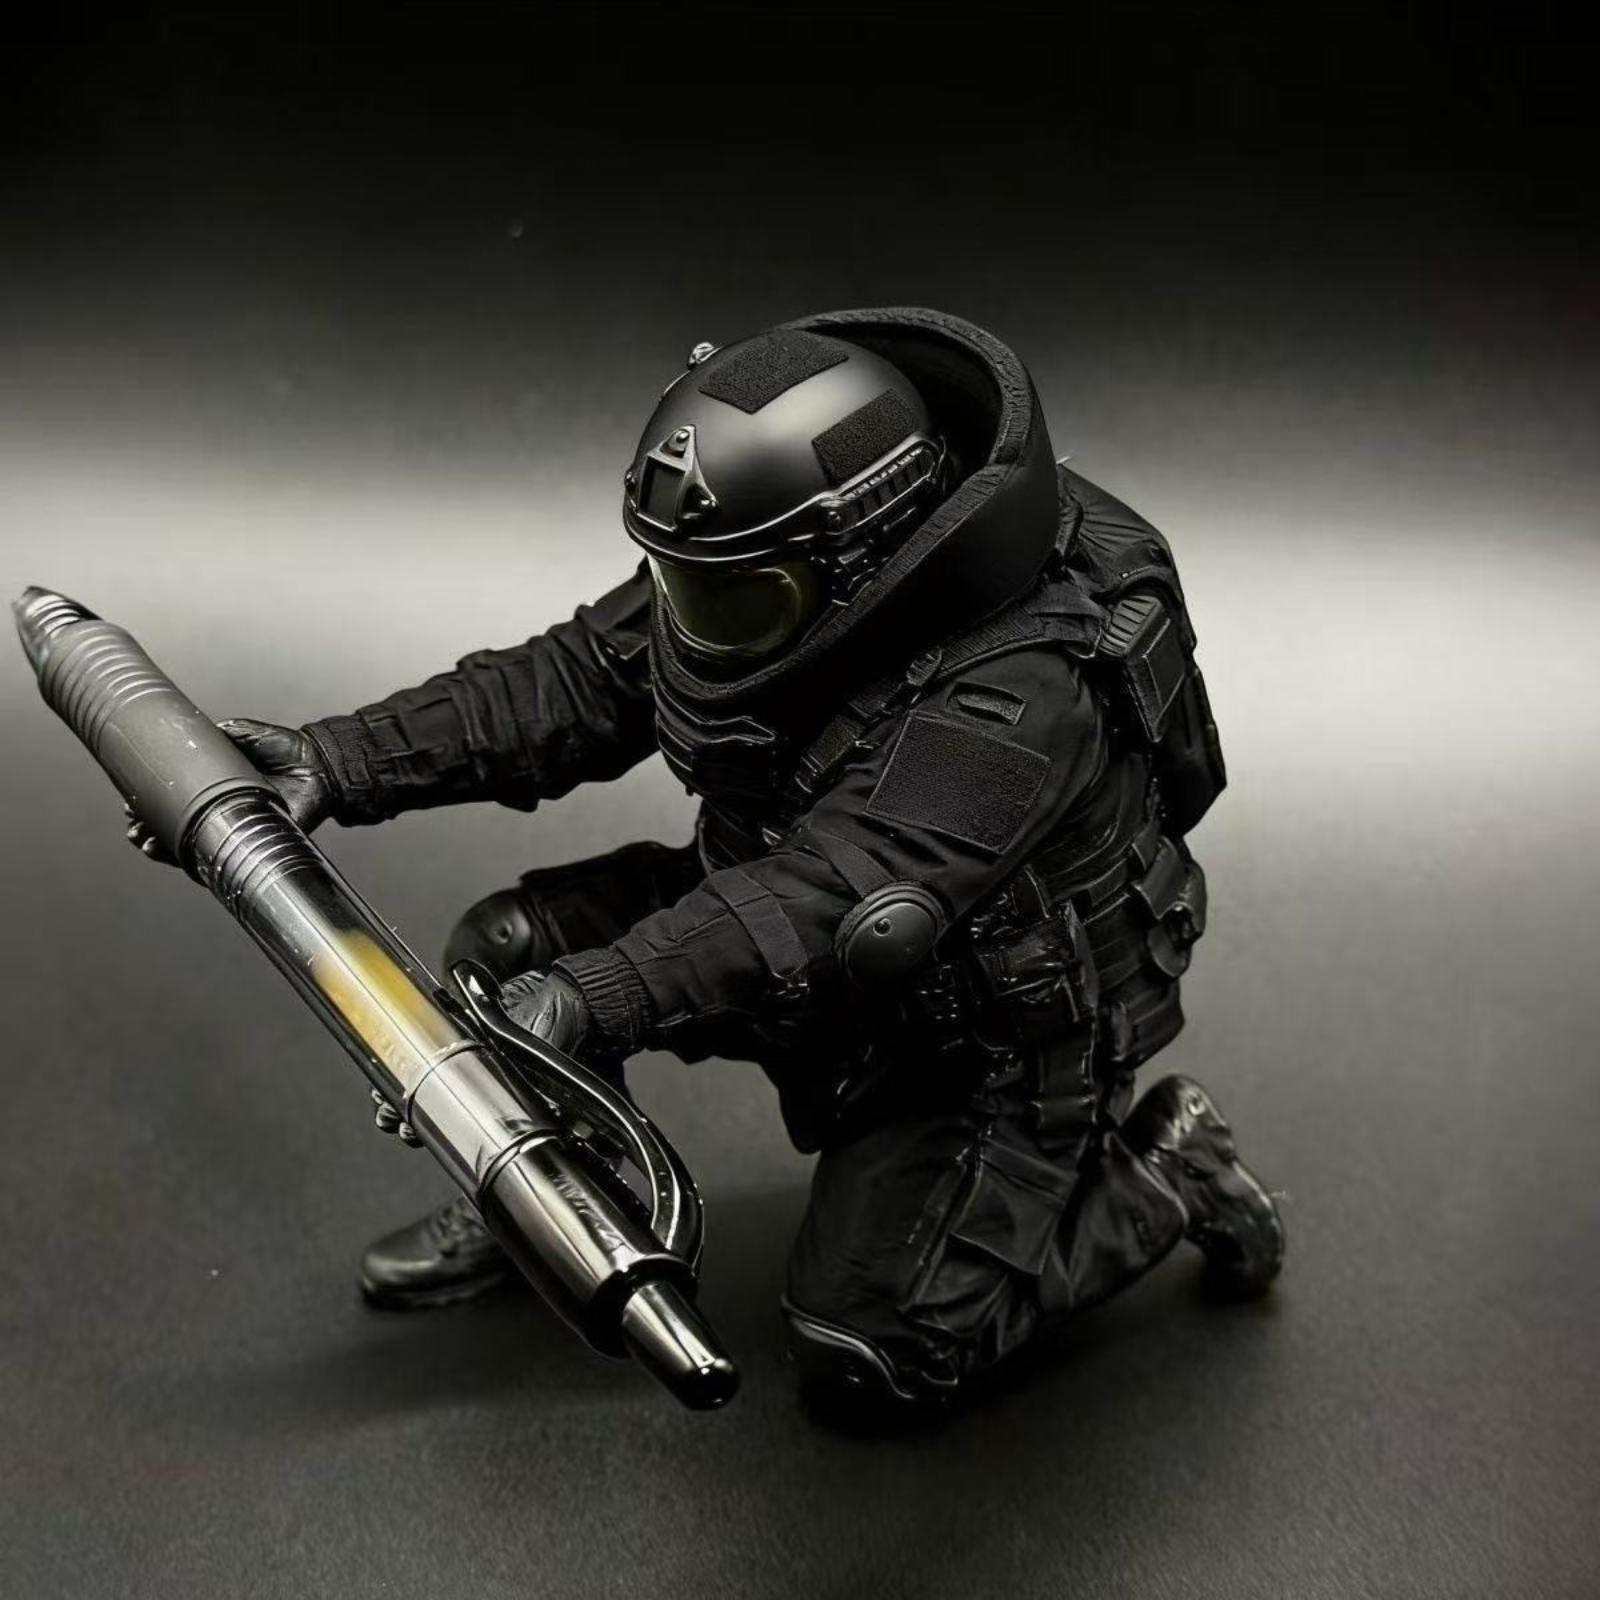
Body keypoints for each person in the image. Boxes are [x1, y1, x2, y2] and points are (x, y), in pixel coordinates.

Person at [131, 308, 1284, 1405]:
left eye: (724, 595)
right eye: (682, 581)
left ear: (862, 557)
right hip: (783, 932)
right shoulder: (758, 575)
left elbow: (828, 891)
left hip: (973, 1029)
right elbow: (576, 681)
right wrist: (333, 761)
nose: (685, 615)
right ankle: (567, 1195)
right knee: (503, 954)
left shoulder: (1023, 691)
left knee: (873, 1350)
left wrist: (588, 997)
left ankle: (1163, 1176)